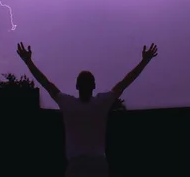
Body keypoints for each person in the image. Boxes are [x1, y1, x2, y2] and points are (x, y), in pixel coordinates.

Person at [17, 42, 158, 177]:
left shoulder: (69, 104)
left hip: (76, 166)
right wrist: (144, 61)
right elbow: (124, 83)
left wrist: (28, 62)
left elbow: (46, 84)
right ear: (94, 86)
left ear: (77, 86)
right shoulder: (101, 103)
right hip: (98, 165)